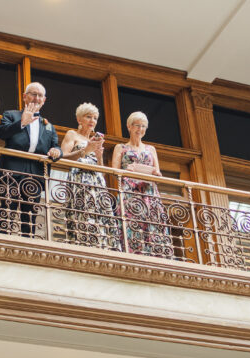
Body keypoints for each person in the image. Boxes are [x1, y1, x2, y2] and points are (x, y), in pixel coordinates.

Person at [0, 82, 61, 238]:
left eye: (40, 96)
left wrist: (57, 152)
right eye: (33, 94)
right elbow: (1, 133)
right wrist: (22, 123)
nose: (36, 98)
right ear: (25, 97)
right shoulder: (11, 115)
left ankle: (28, 244)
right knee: (7, 209)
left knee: (30, 215)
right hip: (11, 171)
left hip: (35, 175)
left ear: (44, 100)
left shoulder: (48, 126)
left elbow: (56, 147)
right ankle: (0, 242)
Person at [57, 103, 121, 250]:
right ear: (79, 119)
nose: (92, 120)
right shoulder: (72, 134)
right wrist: (85, 150)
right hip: (80, 180)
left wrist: (98, 155)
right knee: (84, 215)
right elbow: (62, 158)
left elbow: (102, 171)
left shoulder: (94, 140)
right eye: (88, 117)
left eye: (95, 118)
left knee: (101, 217)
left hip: (97, 184)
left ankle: (103, 248)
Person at [112, 111, 174, 258]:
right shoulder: (121, 147)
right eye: (137, 125)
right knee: (132, 221)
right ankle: (131, 253)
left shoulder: (150, 149)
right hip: (130, 192)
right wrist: (126, 171)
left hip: (149, 192)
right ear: (129, 126)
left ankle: (155, 254)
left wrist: (156, 174)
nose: (140, 129)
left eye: (144, 126)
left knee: (152, 220)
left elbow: (158, 173)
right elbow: (114, 171)